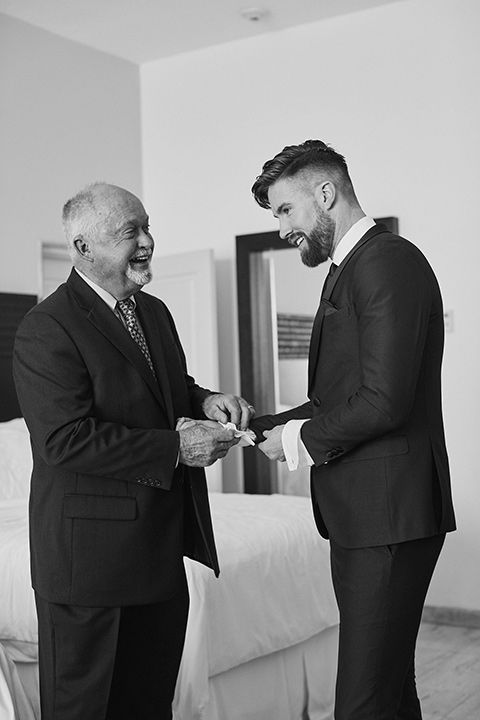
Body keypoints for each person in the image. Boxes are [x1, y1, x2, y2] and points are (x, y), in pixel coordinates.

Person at [13, 182, 254, 720]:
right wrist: (176, 447)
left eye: (147, 227)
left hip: (158, 555)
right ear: (84, 248)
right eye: (130, 232)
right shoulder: (45, 328)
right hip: (89, 569)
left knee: (148, 708)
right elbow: (63, 439)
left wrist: (207, 400)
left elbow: (168, 388)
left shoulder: (155, 312)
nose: (147, 241)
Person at [249, 140, 456, 719]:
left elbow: (384, 401)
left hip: (388, 516)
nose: (282, 228)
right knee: (389, 689)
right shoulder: (348, 270)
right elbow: (334, 399)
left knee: (362, 702)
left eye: (286, 211)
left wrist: (293, 443)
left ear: (325, 193)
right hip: (369, 514)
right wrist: (258, 425)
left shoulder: (387, 261)